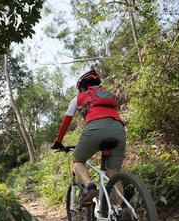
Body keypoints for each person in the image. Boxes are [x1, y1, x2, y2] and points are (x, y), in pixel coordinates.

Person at [51, 68, 126, 204]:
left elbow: (66, 121)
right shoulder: (109, 95)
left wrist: (58, 141)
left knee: (77, 162)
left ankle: (89, 186)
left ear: (83, 86)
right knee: (113, 175)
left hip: (95, 129)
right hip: (118, 129)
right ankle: (122, 211)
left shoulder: (79, 97)